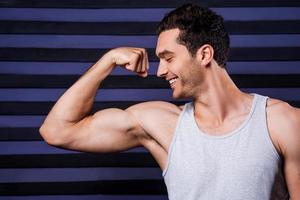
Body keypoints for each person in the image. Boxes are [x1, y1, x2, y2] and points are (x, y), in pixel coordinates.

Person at [39, 4, 300, 200]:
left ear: (204, 54)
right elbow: (57, 131)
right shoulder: (162, 124)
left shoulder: (282, 121)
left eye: (168, 58)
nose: (160, 71)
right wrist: (107, 61)